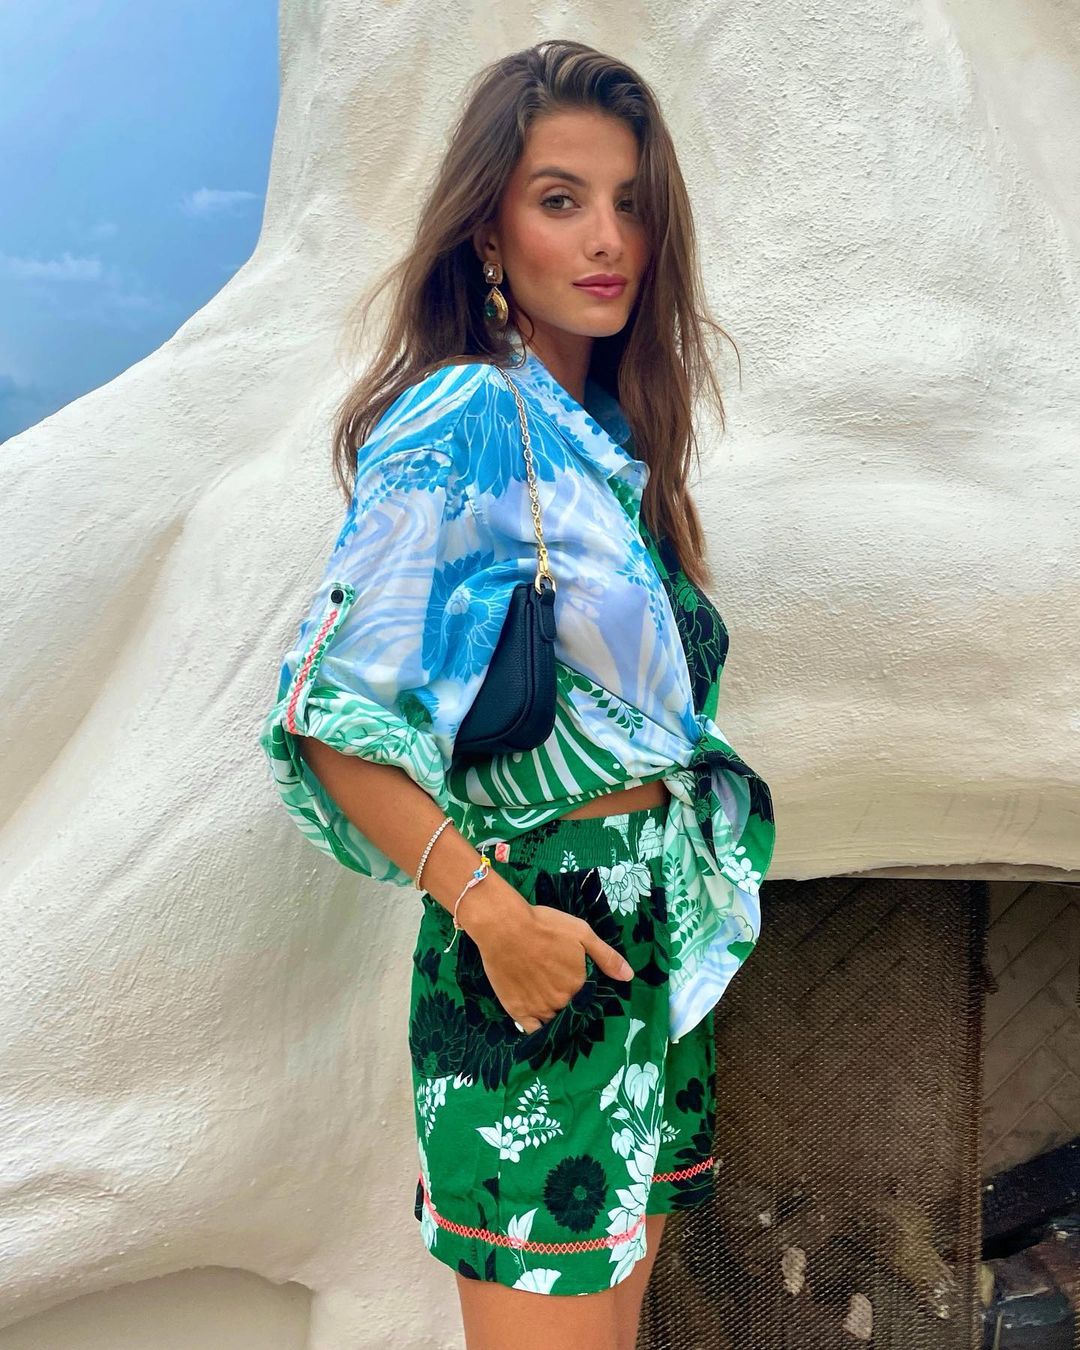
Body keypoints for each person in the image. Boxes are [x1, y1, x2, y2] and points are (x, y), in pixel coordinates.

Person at [258, 38, 775, 1350]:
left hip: (646, 947)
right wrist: (496, 919)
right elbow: (332, 722)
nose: (607, 238)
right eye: (561, 200)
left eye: (630, 203)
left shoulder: (611, 449)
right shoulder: (465, 421)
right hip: (540, 948)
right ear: (489, 229)